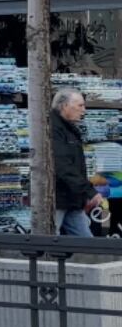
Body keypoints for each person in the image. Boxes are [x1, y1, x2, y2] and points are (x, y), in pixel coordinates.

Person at [51, 88, 98, 237]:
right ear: (64, 106)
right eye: (80, 106)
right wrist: (89, 191)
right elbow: (62, 166)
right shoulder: (52, 128)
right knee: (48, 243)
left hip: (71, 199)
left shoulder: (69, 129)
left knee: (87, 244)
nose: (84, 110)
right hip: (56, 199)